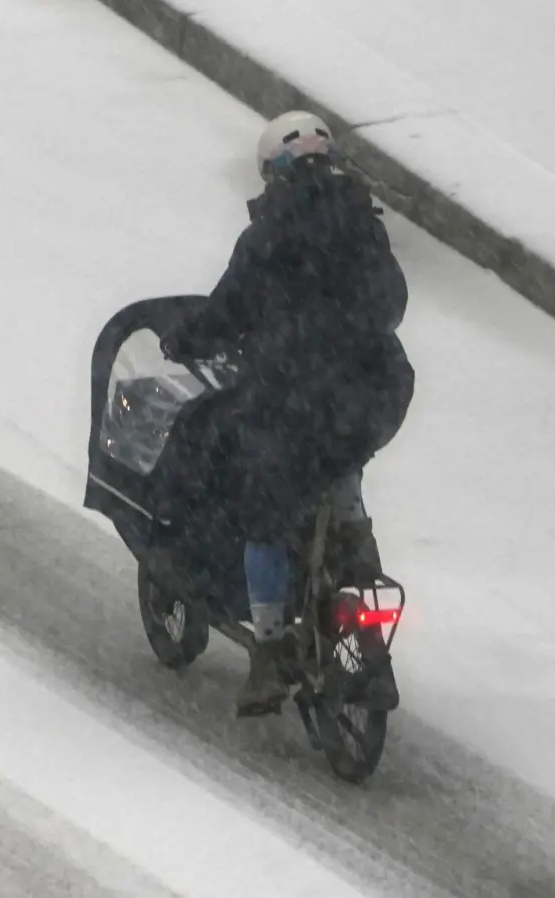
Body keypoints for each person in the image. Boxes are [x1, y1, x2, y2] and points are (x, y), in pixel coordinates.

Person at [159, 110, 416, 717]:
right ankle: (365, 612)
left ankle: (270, 653)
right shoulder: (364, 225)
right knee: (341, 466)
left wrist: (185, 339)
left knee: (265, 514)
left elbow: (227, 311)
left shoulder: (269, 234)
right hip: (372, 395)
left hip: (292, 399)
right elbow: (392, 303)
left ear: (273, 172)